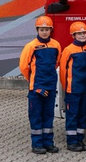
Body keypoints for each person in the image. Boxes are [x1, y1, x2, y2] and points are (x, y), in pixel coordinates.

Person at [20, 16, 61, 154]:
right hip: (36, 88)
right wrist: (33, 81)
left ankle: (48, 143)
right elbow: (24, 67)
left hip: (50, 86)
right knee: (36, 116)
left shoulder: (56, 45)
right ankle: (37, 144)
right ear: (37, 30)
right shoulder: (31, 46)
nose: (44, 32)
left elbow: (57, 62)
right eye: (42, 29)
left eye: (47, 29)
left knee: (48, 115)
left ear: (51, 30)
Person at [58, 21, 86, 152]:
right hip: (72, 89)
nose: (83, 35)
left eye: (84, 33)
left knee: (81, 115)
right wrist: (66, 87)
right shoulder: (68, 50)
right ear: (74, 35)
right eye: (80, 33)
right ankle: (71, 142)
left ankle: (80, 139)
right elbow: (63, 72)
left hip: (83, 87)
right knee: (72, 115)